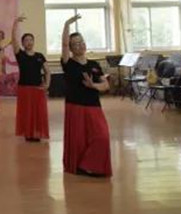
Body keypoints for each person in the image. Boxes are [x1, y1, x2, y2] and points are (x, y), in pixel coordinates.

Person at [61, 14, 112, 177]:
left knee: (102, 136)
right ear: (71, 48)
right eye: (75, 44)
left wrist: (93, 86)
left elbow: (106, 85)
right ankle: (83, 167)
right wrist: (67, 24)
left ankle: (92, 165)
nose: (80, 45)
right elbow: (64, 43)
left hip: (93, 106)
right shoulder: (68, 63)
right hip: (75, 106)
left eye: (81, 42)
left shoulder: (94, 65)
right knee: (79, 140)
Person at [11, 15, 50, 142]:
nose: (29, 42)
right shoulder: (20, 55)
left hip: (38, 88)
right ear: (23, 43)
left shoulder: (40, 56)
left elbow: (47, 71)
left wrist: (47, 84)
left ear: (34, 41)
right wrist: (15, 24)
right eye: (26, 40)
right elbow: (14, 40)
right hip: (24, 88)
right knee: (27, 112)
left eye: (31, 40)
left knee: (38, 112)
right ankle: (28, 133)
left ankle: (36, 132)